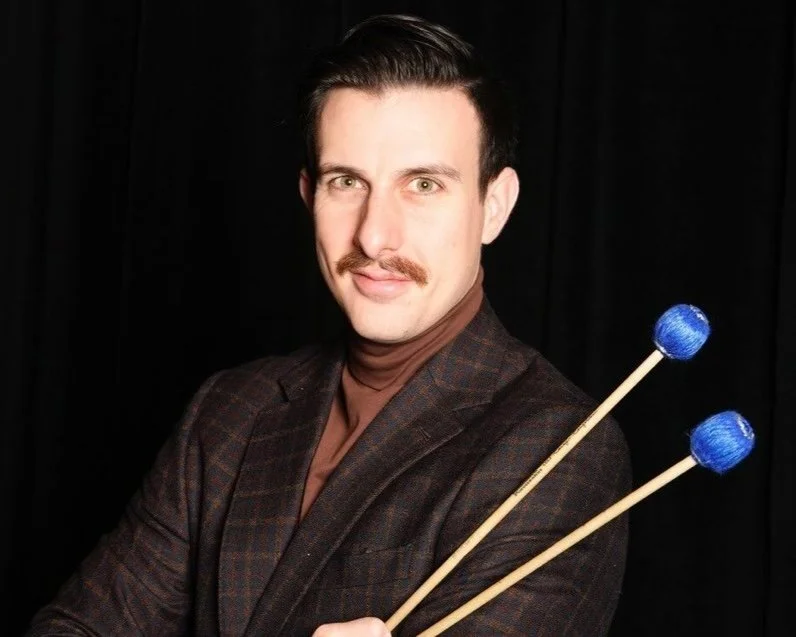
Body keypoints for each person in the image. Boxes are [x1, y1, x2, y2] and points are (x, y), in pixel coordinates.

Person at [28, 14, 630, 636]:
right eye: (346, 182)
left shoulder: (560, 450)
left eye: (423, 185)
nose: (373, 236)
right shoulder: (228, 411)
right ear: (308, 194)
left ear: (494, 207)